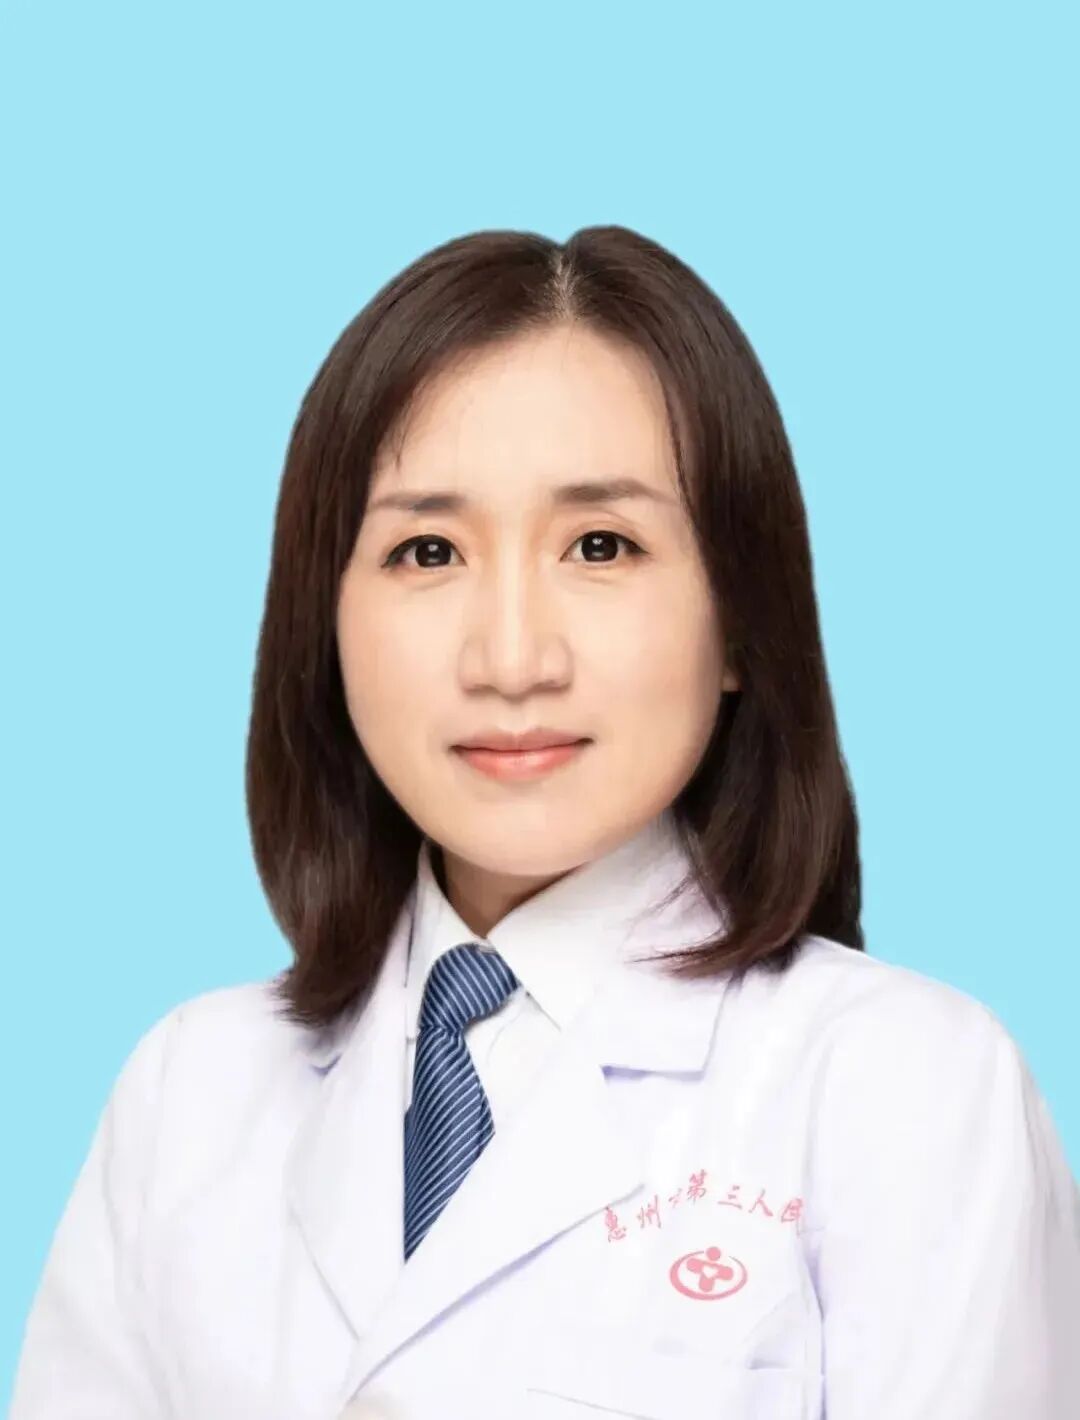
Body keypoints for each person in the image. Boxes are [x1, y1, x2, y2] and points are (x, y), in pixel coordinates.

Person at [10, 225, 1079, 1420]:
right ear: (326, 623)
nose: (513, 658)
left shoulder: (908, 1086)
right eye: (427, 550)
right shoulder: (190, 1091)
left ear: (740, 617)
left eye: (601, 545)